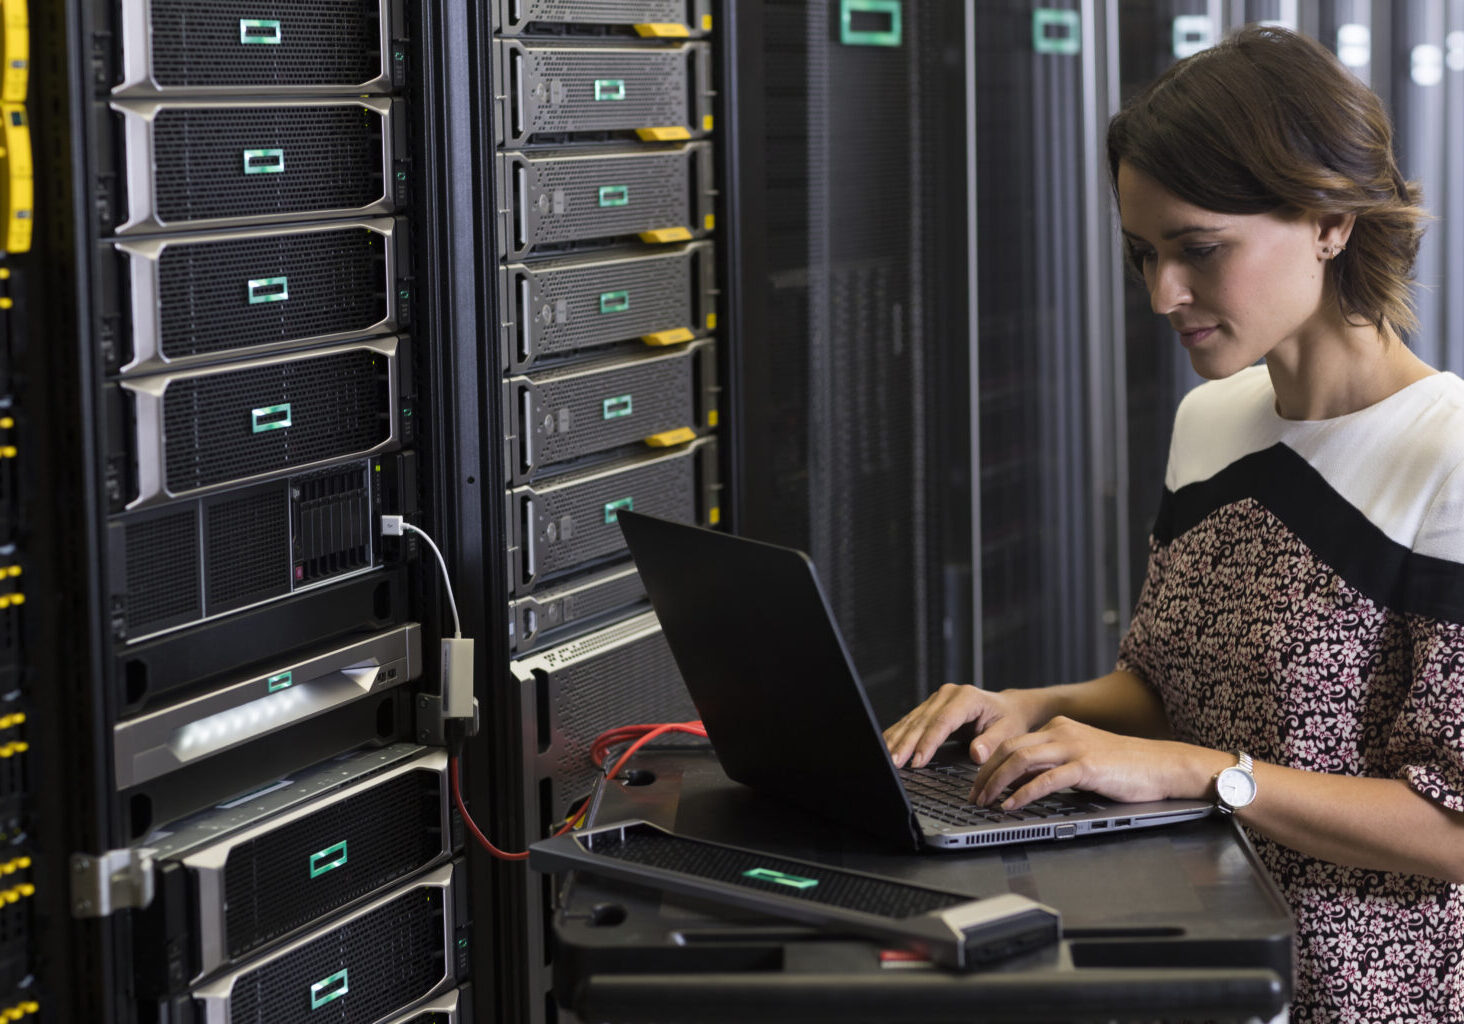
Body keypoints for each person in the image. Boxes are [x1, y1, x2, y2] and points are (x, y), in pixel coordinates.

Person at [884, 24, 1464, 1024]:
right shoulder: (1211, 421)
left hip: (1365, 994)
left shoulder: (1446, 450)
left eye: (1199, 250)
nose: (1162, 295)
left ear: (1329, 220)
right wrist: (1027, 707)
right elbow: (1169, 693)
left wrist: (1204, 774)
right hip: (1201, 945)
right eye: (1145, 255)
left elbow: (1453, 823)